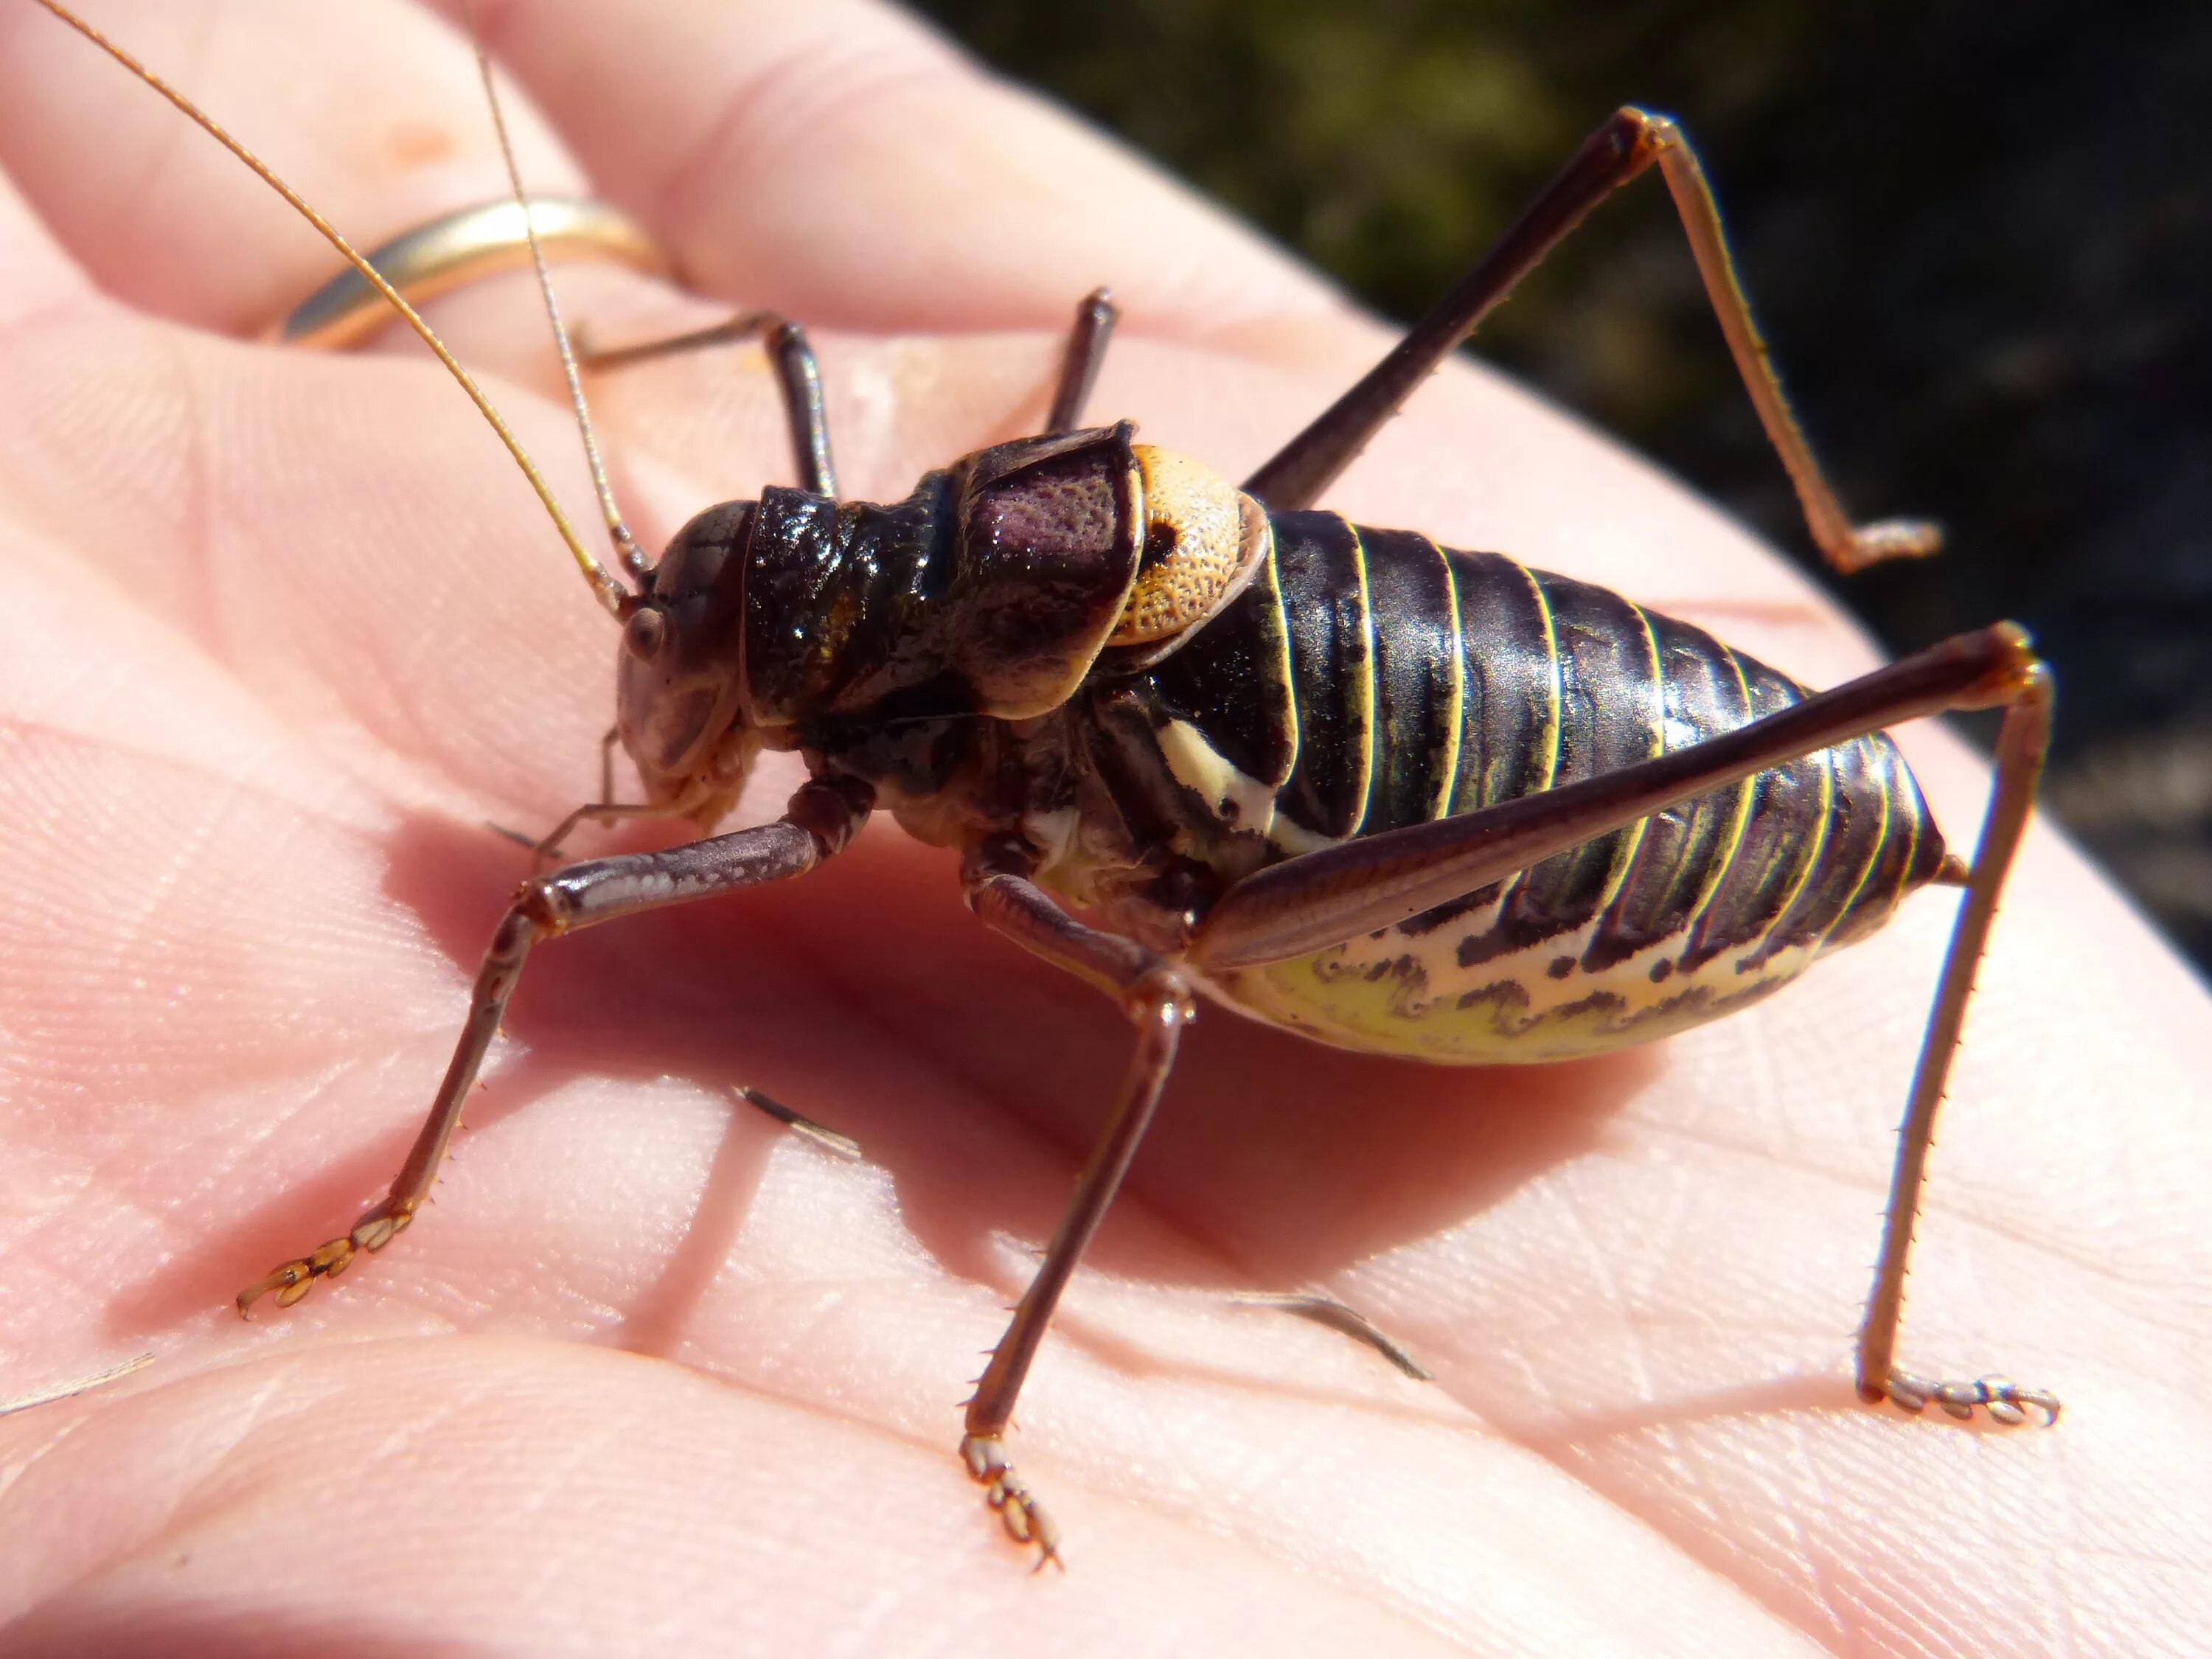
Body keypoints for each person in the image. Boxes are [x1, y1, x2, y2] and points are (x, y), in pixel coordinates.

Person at [1, 1, 2205, 1651]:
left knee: (1135, 990)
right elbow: (786, 339)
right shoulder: (917, 580)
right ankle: (1837, 540)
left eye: (689, 642)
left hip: (1597, 837)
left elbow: (1144, 1008)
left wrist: (975, 1422)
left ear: (804, 659)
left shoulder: (926, 710)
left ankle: (1880, 1346)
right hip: (1322, 661)